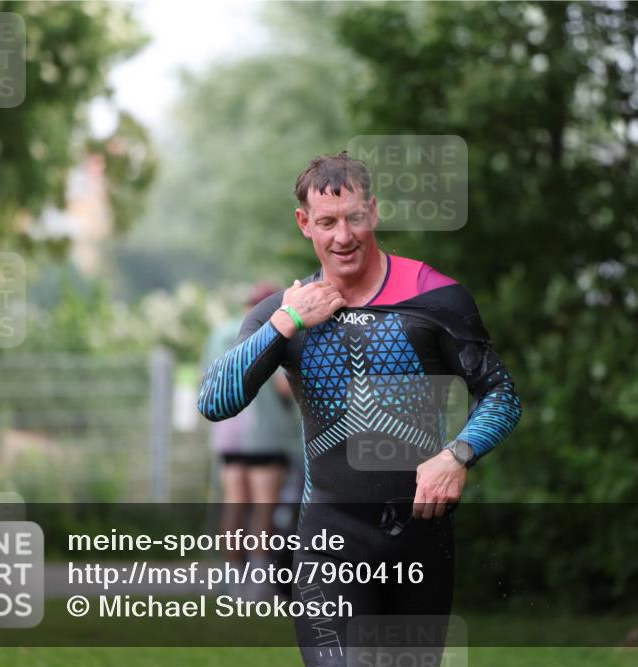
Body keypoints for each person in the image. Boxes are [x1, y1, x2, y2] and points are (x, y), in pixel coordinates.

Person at [198, 151, 521, 666]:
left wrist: (458, 454)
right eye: (326, 222)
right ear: (305, 223)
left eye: (353, 217)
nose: (342, 236)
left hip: (422, 539)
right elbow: (215, 401)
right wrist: (286, 324)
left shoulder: (435, 297)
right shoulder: (283, 313)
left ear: (373, 211)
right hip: (330, 537)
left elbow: (501, 394)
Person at [202, 282, 301, 595]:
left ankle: (231, 577)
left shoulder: (220, 332)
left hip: (228, 435)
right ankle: (258, 581)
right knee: (264, 505)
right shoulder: (271, 330)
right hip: (265, 434)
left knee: (234, 502)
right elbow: (283, 387)